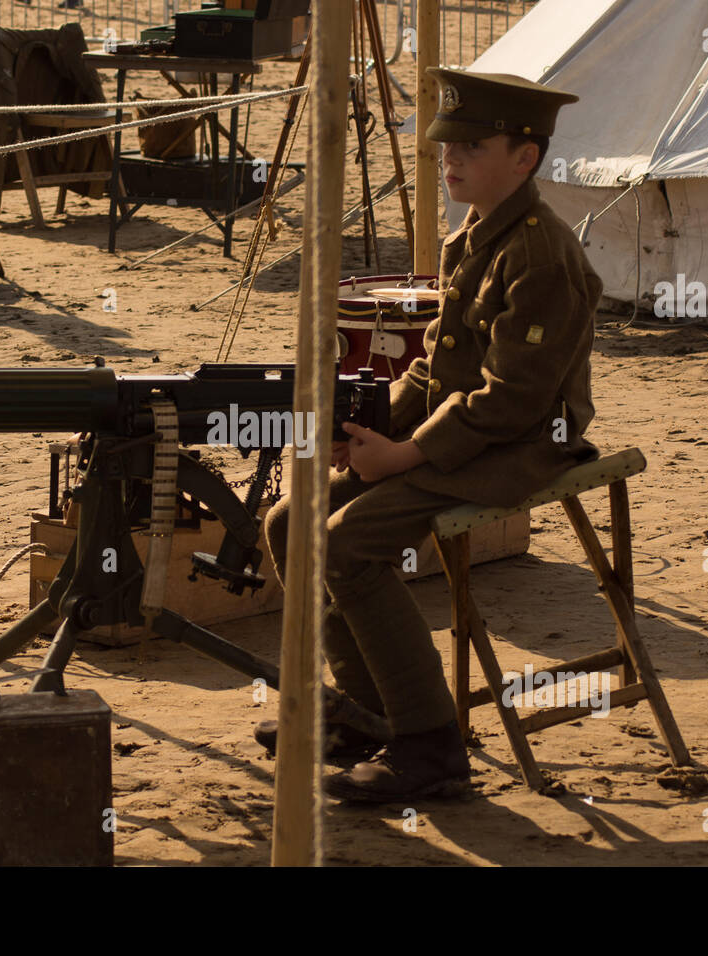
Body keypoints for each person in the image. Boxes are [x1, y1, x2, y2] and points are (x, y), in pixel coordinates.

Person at [257, 69, 604, 803]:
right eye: (448, 146)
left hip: (525, 444)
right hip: (468, 434)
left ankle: (430, 746)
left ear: (525, 158)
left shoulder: (540, 255)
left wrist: (407, 455)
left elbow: (512, 400)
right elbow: (437, 371)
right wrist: (371, 425)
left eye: (472, 148)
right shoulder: (474, 236)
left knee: (349, 542)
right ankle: (373, 712)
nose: (450, 161)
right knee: (293, 523)